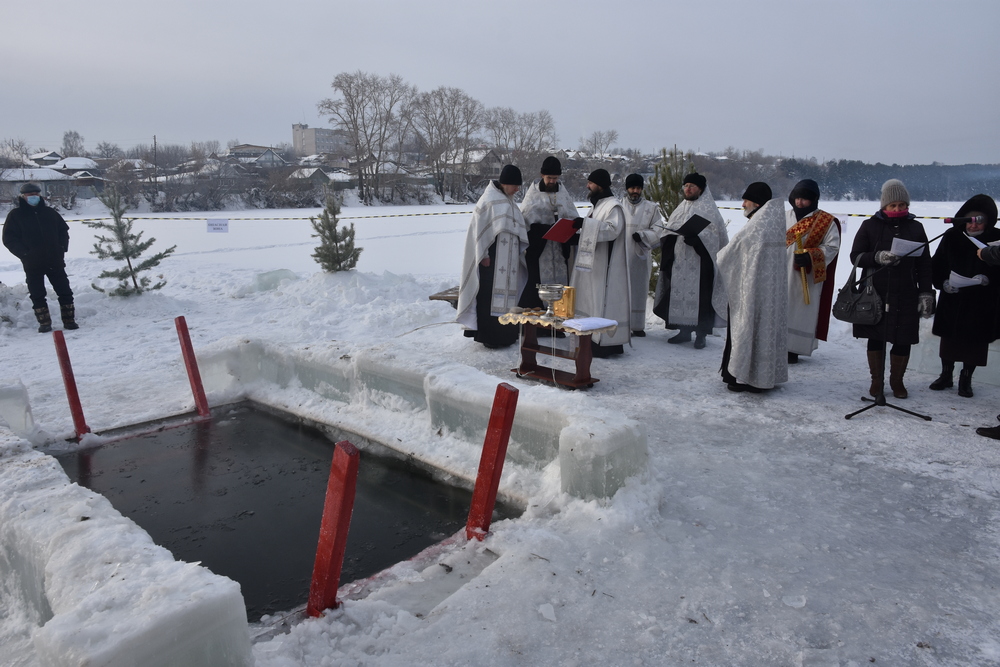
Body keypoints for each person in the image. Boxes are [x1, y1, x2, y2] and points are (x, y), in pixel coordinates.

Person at [849, 179, 934, 399]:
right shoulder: (869, 226)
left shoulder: (916, 227)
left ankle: (897, 381)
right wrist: (877, 257)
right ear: (884, 205)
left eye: (901, 205)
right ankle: (876, 381)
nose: (897, 209)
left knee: (903, 338)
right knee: (876, 337)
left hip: (906, 292)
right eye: (892, 205)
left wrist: (926, 292)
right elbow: (855, 256)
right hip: (875, 293)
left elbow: (925, 264)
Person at [928, 194, 1000, 398]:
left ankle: (966, 378)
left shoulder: (996, 238)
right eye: (969, 220)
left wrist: (988, 280)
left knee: (974, 344)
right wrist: (943, 283)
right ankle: (946, 375)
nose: (973, 225)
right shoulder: (952, 236)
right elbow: (937, 264)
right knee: (949, 341)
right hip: (953, 298)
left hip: (982, 301)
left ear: (988, 221)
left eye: (979, 221)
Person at [717, 193, 788, 392]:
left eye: (746, 200)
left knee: (746, 329)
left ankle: (743, 377)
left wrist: (721, 256)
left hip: (752, 290)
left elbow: (730, 252)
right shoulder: (774, 221)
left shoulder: (758, 224)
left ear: (756, 203)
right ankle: (763, 377)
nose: (742, 204)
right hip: (770, 291)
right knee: (765, 330)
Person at [651, 172, 728, 349]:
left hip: (700, 264)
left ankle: (701, 335)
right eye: (686, 186)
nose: (688, 189)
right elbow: (668, 231)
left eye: (692, 186)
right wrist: (670, 237)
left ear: (701, 189)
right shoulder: (680, 208)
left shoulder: (709, 210)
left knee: (701, 297)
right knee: (678, 293)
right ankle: (684, 331)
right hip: (679, 261)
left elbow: (716, 240)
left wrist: (698, 242)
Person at [457, 165, 529, 348]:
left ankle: (507, 335)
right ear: (506, 183)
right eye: (515, 186)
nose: (517, 190)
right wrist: (484, 254)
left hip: (509, 261)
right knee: (489, 297)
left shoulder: (509, 201)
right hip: (492, 258)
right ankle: (490, 337)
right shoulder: (489, 201)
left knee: (508, 297)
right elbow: (480, 231)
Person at [568, 168, 630, 357]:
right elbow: (593, 229)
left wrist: (585, 224)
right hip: (592, 264)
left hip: (605, 266)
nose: (588, 186)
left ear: (600, 185)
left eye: (591, 183)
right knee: (589, 301)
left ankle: (604, 345)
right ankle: (589, 340)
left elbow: (612, 230)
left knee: (599, 302)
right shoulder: (597, 206)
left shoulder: (613, 206)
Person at [2, 182, 78, 333]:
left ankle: (69, 321)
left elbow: (63, 231)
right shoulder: (16, 215)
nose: (34, 197)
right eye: (30, 195)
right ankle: (44, 323)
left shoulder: (50, 213)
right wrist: (24, 254)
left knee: (65, 291)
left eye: (36, 194)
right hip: (32, 263)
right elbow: (9, 239)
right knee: (37, 294)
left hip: (54, 260)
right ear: (23, 197)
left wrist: (62, 248)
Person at [784, 179, 841, 364]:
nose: (799, 203)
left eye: (804, 199)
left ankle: (794, 348)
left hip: (805, 276)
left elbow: (832, 247)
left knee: (800, 311)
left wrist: (811, 256)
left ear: (814, 200)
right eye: (797, 198)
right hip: (780, 272)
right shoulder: (783, 216)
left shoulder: (825, 222)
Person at [518, 156, 579, 308]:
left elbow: (573, 217)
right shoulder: (533, 195)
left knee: (562, 286)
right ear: (542, 175)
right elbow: (524, 223)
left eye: (555, 178)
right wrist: (544, 230)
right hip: (539, 251)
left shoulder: (563, 194)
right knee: (536, 289)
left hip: (559, 252)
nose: (552, 181)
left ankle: (559, 317)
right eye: (549, 178)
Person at [623, 173, 663, 337]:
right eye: (632, 188)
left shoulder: (651, 208)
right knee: (621, 291)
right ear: (627, 189)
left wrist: (643, 236)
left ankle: (637, 326)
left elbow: (659, 229)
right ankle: (622, 324)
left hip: (641, 256)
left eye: (638, 188)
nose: (635, 191)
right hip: (621, 256)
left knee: (639, 290)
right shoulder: (618, 206)